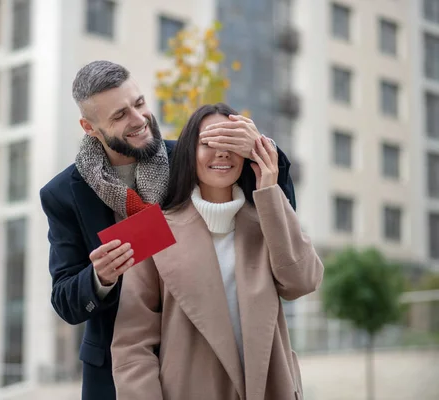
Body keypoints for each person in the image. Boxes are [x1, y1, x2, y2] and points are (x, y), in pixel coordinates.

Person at [39, 61, 297, 400]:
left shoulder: (191, 158)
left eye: (140, 103)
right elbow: (65, 301)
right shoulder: (62, 194)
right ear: (90, 127)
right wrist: (99, 278)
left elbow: (275, 210)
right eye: (119, 116)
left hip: (203, 356)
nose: (138, 119)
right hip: (115, 373)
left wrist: (262, 147)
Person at [111, 103, 324, 400]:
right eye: (208, 142)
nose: (222, 152)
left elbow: (302, 282)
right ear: (188, 153)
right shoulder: (146, 230)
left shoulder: (269, 217)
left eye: (232, 142)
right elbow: (132, 346)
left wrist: (269, 188)